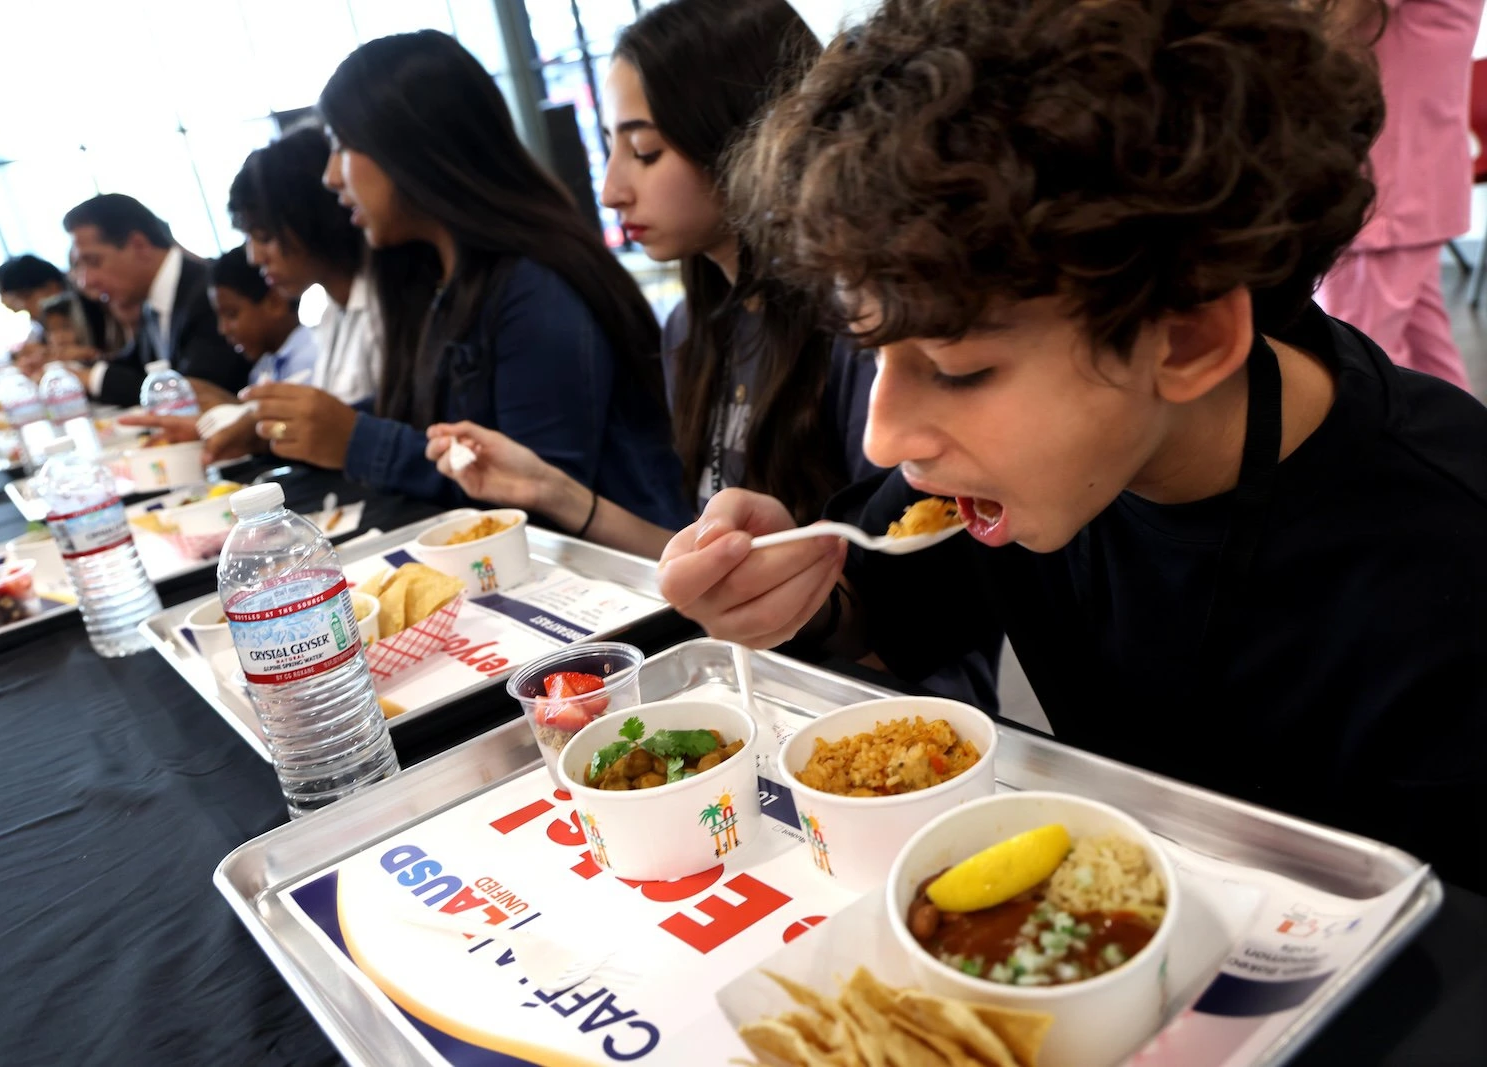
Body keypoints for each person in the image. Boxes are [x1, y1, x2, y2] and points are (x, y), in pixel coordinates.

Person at [658, 0, 1487, 890]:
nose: (885, 433)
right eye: (874, 354)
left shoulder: (1447, 559)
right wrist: (793, 593)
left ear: (1188, 340)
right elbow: (882, 590)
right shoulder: (1020, 474)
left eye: (959, 368)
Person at [426, 0, 878, 558]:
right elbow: (705, 566)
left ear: (744, 136)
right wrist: (546, 490)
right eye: (613, 147)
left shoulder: (857, 319)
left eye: (645, 150)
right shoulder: (692, 330)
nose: (612, 189)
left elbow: (888, 600)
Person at [219, 32, 689, 527]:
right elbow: (438, 425)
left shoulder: (533, 286)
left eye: (343, 144)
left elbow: (537, 492)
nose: (331, 176)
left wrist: (357, 438)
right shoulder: (433, 279)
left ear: (410, 146)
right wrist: (310, 425)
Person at [1316, 0, 1484, 391]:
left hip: (1385, 187)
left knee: (1350, 372)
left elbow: (1323, 30)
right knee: (1428, 361)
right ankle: (1461, 452)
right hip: (1411, 179)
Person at [229, 125, 375, 404]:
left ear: (312, 219)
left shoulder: (385, 308)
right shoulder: (329, 312)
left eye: (265, 236)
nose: (255, 258)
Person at [63, 193, 252, 406]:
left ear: (139, 245)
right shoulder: (152, 300)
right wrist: (69, 369)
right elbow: (133, 367)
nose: (85, 281)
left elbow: (194, 391)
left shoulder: (209, 292)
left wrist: (90, 378)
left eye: (94, 262)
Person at [208, 245, 317, 386]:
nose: (223, 329)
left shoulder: (313, 360)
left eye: (231, 314)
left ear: (275, 303)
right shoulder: (262, 370)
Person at [0, 255, 109, 375]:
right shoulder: (46, 317)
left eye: (25, 297)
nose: (20, 306)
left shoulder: (92, 305)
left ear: (52, 287)